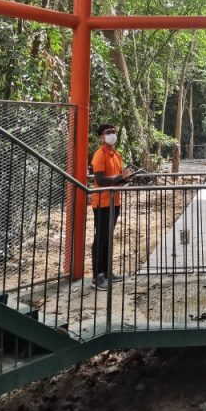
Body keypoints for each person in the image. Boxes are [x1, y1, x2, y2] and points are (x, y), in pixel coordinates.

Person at [90, 124, 132, 291]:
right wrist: (120, 176)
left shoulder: (117, 154)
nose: (112, 135)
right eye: (108, 133)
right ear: (102, 137)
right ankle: (97, 276)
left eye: (114, 132)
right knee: (100, 239)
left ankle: (107, 273)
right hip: (102, 203)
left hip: (115, 201)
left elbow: (116, 179)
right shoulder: (99, 155)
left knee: (108, 238)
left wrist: (126, 177)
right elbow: (100, 180)